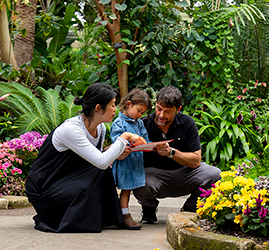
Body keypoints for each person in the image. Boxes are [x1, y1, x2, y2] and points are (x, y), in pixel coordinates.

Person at [25, 83, 143, 233]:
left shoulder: (99, 128)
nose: (115, 110)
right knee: (101, 169)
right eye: (112, 105)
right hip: (46, 189)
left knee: (102, 172)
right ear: (98, 108)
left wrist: (117, 151)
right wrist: (124, 137)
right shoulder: (72, 129)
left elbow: (94, 157)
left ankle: (107, 217)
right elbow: (100, 161)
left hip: (67, 179)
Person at [131, 86, 221, 224]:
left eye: (167, 112)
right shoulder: (143, 124)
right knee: (136, 178)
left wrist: (171, 153)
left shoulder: (187, 123)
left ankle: (189, 209)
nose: (161, 115)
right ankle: (148, 208)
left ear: (178, 110)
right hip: (154, 177)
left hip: (185, 174)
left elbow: (196, 161)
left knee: (215, 174)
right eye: (159, 109)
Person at [110, 88, 151, 230]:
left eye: (143, 113)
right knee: (125, 190)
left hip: (135, 162)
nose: (140, 115)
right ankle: (125, 216)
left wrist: (148, 144)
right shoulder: (118, 123)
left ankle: (123, 214)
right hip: (125, 163)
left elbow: (145, 137)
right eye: (139, 110)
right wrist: (128, 143)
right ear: (128, 104)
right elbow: (117, 140)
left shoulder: (139, 123)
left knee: (131, 188)